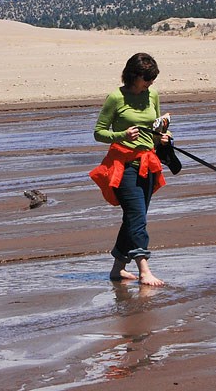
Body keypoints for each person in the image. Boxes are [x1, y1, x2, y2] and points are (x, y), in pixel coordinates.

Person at [89, 52, 171, 287]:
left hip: (149, 163)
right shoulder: (115, 97)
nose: (150, 84)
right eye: (146, 79)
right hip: (123, 167)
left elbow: (155, 129)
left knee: (135, 217)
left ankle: (118, 269)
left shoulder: (152, 95)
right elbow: (99, 132)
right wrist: (121, 135)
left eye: (153, 79)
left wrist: (163, 138)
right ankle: (144, 269)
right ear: (133, 76)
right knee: (137, 217)